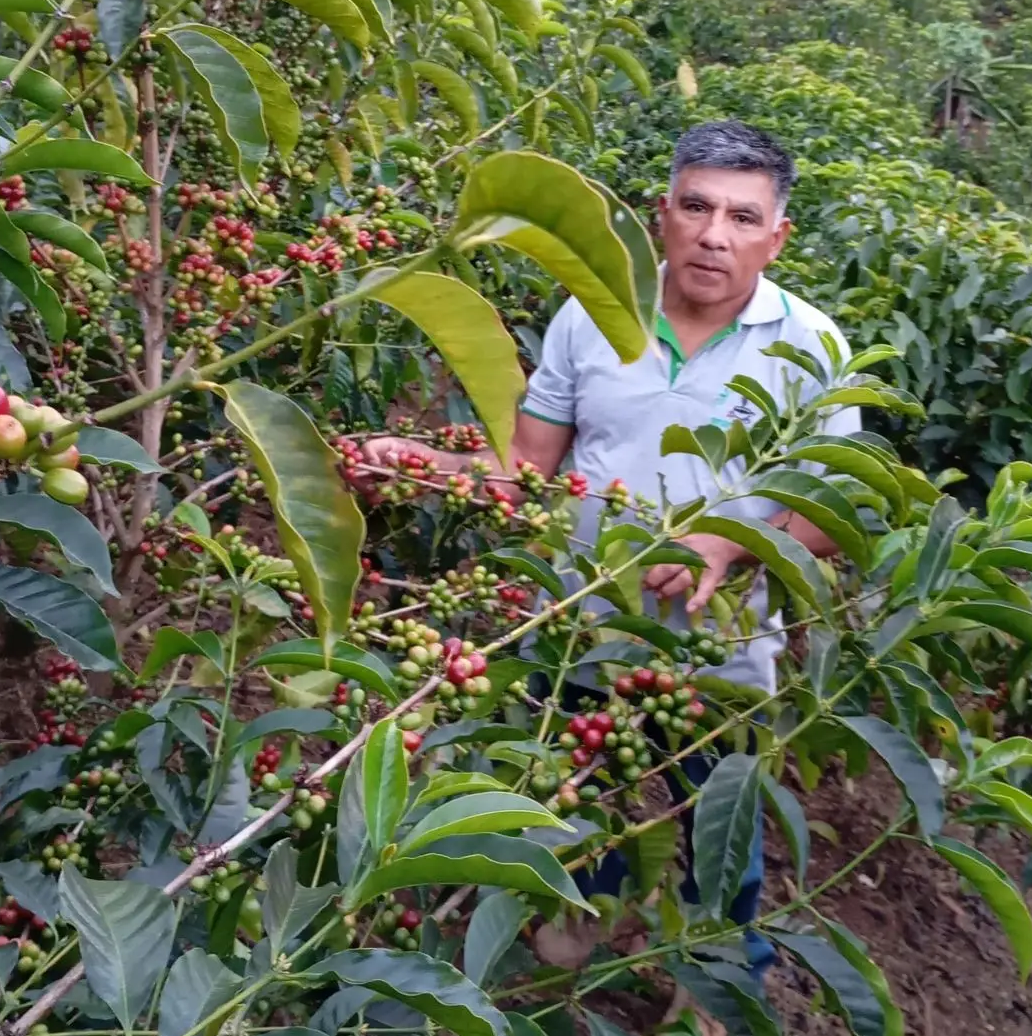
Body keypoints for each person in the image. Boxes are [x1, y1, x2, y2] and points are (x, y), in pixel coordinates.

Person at [361, 119, 859, 973]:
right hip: (578, 639)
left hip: (719, 661)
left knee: (720, 837)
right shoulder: (590, 316)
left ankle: (714, 987)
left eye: (743, 217)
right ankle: (578, 935)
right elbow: (525, 469)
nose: (714, 234)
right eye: (696, 207)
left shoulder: (812, 349)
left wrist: (727, 544)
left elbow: (833, 517)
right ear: (661, 214)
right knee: (571, 806)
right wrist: (421, 465)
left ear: (777, 239)